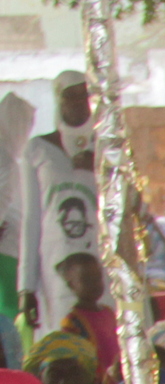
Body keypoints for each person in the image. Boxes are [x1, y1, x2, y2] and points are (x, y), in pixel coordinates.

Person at [16, 72, 92, 340]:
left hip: (99, 265)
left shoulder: (109, 146)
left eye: (84, 95)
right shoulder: (37, 149)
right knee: (64, 340)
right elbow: (31, 219)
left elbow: (130, 207)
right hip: (56, 264)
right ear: (59, 100)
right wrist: (26, 286)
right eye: (70, 96)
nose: (78, 102)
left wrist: (99, 168)